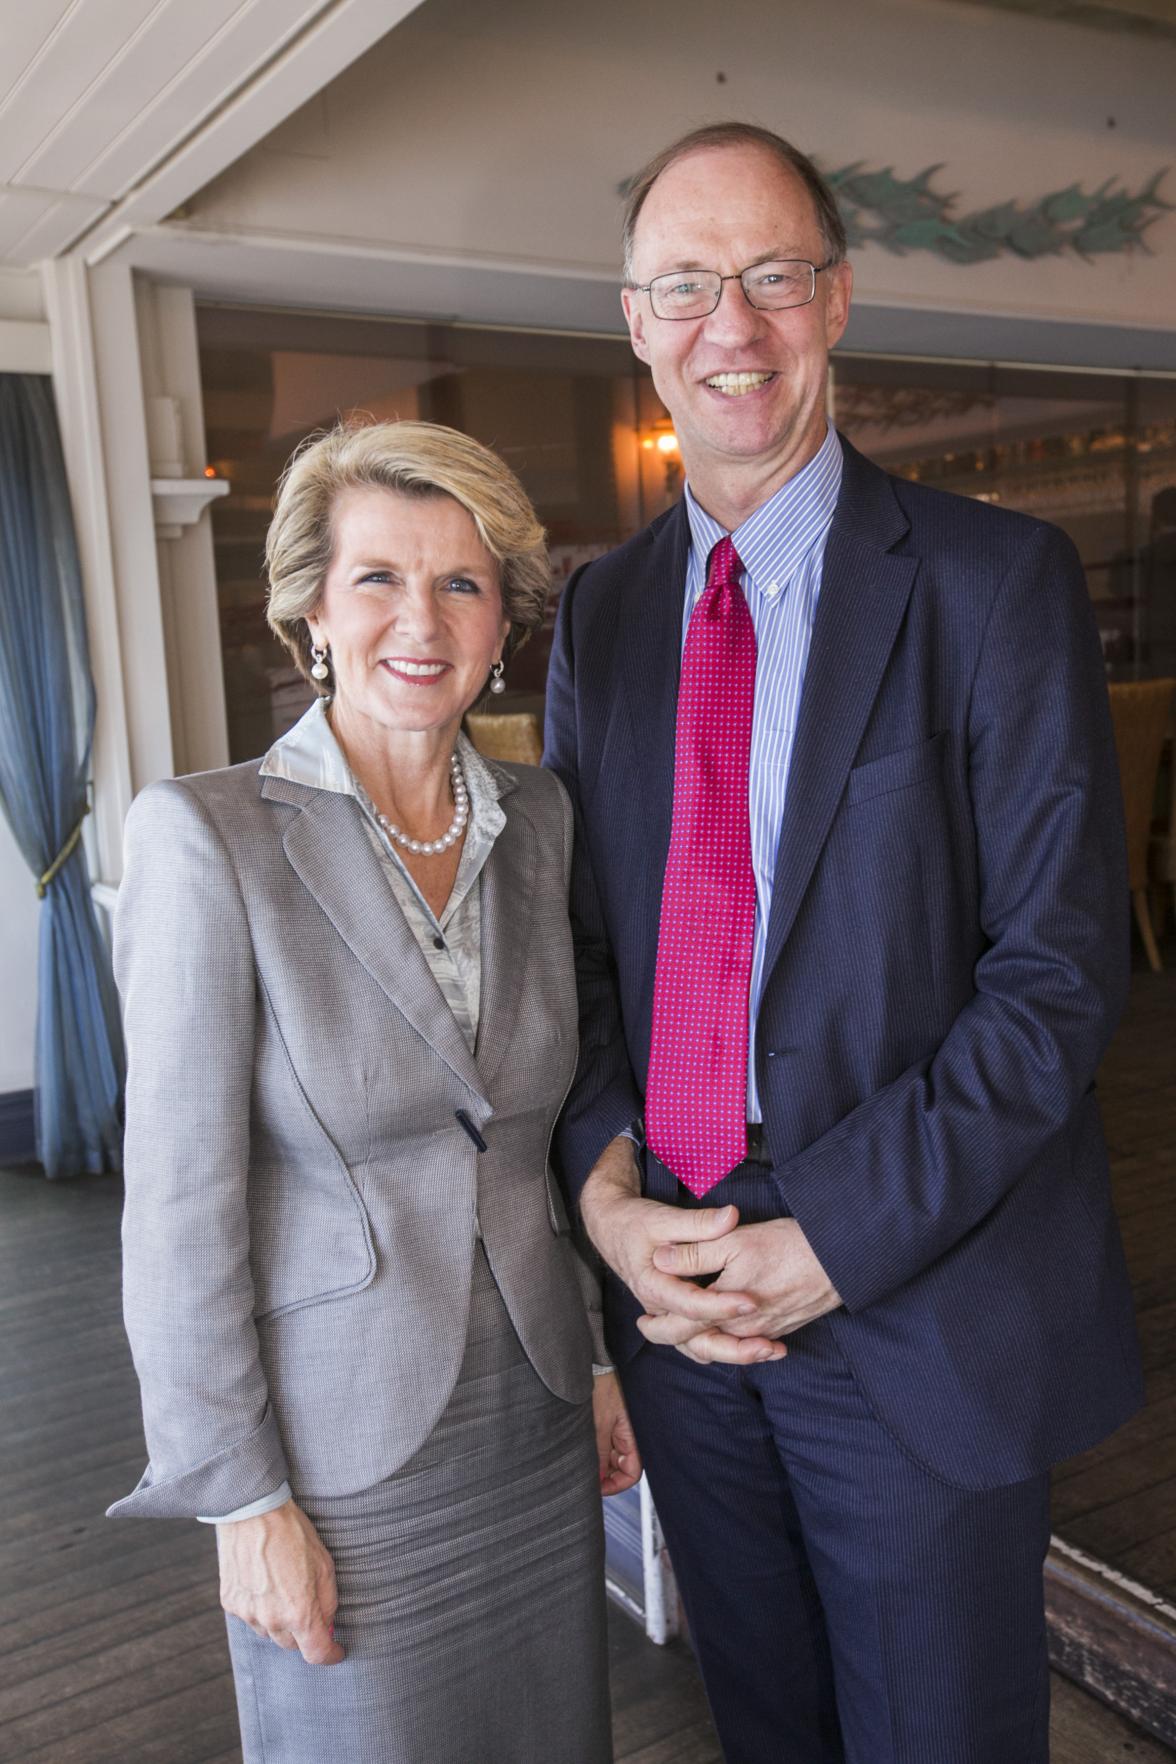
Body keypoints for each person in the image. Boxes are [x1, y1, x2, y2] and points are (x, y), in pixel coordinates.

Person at [544, 122, 1142, 1764]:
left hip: (912, 1319)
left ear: (840, 298)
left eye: (773, 277)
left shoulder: (992, 580)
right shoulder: (599, 617)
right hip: (681, 1327)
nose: (731, 326)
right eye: (686, 286)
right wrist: (608, 1196)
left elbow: (1056, 977)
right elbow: (588, 953)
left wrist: (829, 1239)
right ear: (636, 320)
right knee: (768, 1730)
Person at [109, 420, 639, 1764]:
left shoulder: (543, 822)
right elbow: (179, 1207)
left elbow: (526, 1145)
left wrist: (591, 1362)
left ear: (503, 620)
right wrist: (240, 1501)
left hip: (530, 1420)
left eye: (461, 583)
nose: (423, 619)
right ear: (312, 616)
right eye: (378, 580)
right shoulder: (206, 839)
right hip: (338, 1455)